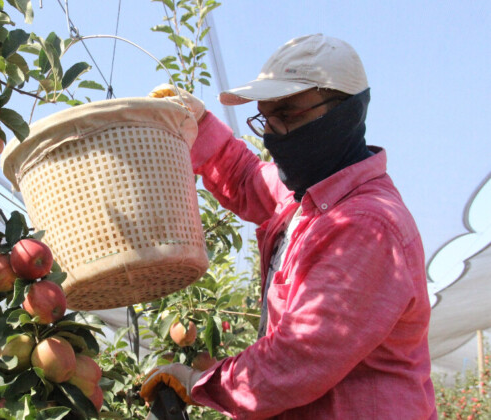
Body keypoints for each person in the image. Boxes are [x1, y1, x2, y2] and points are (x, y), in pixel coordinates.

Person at [140, 33, 437, 419]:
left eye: (289, 113)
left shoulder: (365, 225)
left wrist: (201, 382)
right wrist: (197, 122)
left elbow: (298, 360)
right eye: (266, 116)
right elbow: (247, 177)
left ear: (347, 111)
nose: (272, 133)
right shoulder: (311, 197)